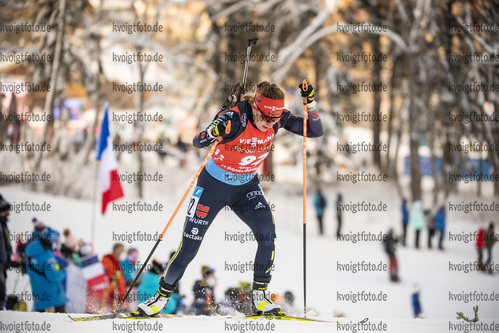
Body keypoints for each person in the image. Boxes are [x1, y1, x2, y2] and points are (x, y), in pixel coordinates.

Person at [137, 80, 323, 317]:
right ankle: (161, 298)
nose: (268, 123)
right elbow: (198, 141)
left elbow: (315, 131)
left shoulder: (277, 117)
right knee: (188, 249)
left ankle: (260, 298)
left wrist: (311, 103)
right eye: (265, 116)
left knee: (268, 237)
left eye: (274, 120)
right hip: (213, 186)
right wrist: (215, 130)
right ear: (255, 106)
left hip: (245, 187)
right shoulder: (234, 118)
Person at [25, 227, 68, 312]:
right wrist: (64, 271)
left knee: (42, 323)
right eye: (56, 242)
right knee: (62, 323)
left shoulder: (31, 253)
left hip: (39, 298)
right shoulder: (48, 255)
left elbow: (29, 270)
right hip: (53, 299)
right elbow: (53, 277)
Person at [79, 243, 109, 313]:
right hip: (93, 290)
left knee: (100, 308)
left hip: (100, 289)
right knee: (92, 308)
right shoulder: (85, 263)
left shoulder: (95, 262)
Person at [102, 243, 127, 311]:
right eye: (120, 252)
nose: (121, 254)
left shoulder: (117, 262)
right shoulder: (108, 260)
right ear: (116, 250)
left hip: (117, 297)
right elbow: (108, 276)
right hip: (109, 295)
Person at [0, 194, 13, 310]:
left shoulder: (4, 223)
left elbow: (6, 244)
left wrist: (9, 258)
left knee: (2, 292)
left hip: (3, 264)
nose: (8, 212)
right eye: (5, 210)